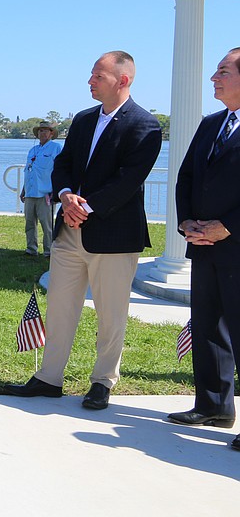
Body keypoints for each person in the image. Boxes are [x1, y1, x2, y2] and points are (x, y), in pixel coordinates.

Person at [5, 51, 161, 410]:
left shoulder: (144, 125)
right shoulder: (83, 120)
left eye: (98, 76)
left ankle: (102, 381)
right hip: (69, 234)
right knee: (60, 305)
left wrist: (84, 207)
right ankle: (48, 378)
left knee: (111, 313)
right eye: (92, 75)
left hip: (114, 237)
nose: (90, 81)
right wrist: (64, 195)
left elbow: (128, 181)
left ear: (123, 81)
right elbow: (65, 164)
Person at [168, 47, 240, 450]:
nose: (214, 77)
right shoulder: (212, 123)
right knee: (208, 325)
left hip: (236, 244)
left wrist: (226, 227)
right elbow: (187, 177)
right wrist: (186, 221)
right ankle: (214, 405)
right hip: (204, 246)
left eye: (223, 71)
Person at [20, 121, 62, 257]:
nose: (42, 133)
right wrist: (23, 190)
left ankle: (49, 251)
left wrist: (56, 190)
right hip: (31, 192)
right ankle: (31, 248)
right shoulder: (33, 150)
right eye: (40, 131)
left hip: (46, 194)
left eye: (45, 130)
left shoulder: (56, 148)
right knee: (29, 223)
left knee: (47, 224)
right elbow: (28, 171)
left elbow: (60, 170)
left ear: (51, 133)